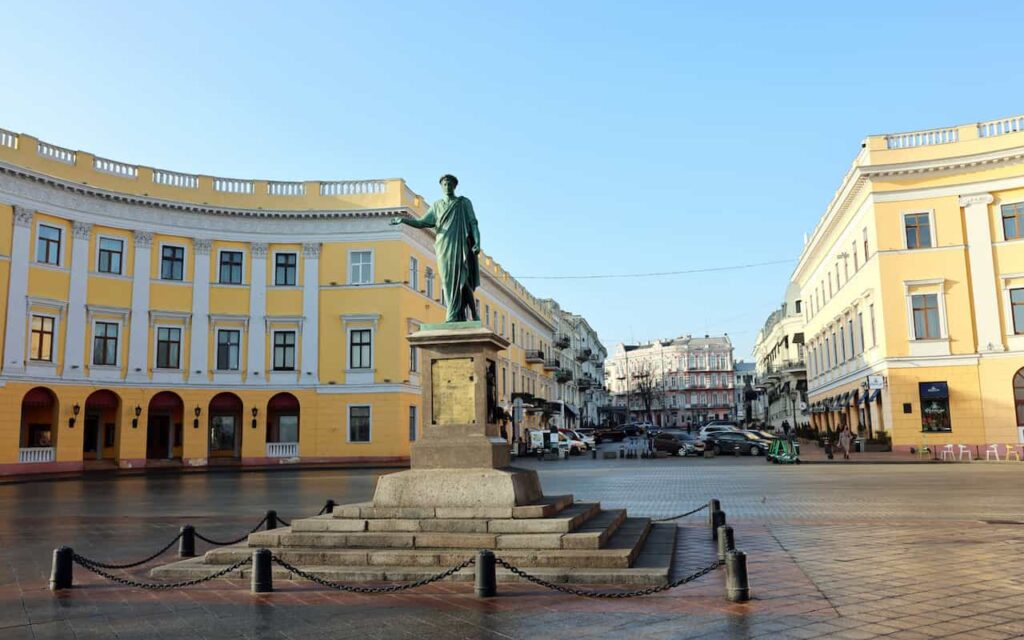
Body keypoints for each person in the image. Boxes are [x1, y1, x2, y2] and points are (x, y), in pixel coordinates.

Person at [391, 174, 481, 322]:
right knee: (446, 281)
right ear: (441, 187)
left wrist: (477, 242)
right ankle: (455, 313)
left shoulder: (463, 203)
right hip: (443, 247)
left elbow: (473, 223)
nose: (447, 187)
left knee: (462, 280)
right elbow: (422, 223)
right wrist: (403, 220)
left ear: (454, 186)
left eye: (450, 184)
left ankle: (471, 312)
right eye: (444, 184)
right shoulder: (437, 206)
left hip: (459, 245)